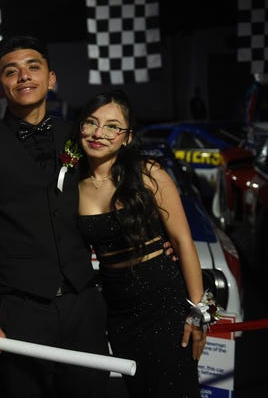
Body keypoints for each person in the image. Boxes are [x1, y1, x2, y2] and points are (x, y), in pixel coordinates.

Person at [0, 35, 109, 398]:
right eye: (11, 71)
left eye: (33, 67)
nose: (23, 76)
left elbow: (113, 198)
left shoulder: (80, 137)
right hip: (19, 311)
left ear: (51, 79)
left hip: (82, 305)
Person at [76, 89, 210, 397]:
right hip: (118, 310)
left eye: (112, 126)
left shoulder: (149, 173)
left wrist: (198, 314)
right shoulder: (73, 185)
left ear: (127, 137)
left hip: (164, 303)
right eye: (91, 123)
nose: (99, 133)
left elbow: (183, 241)